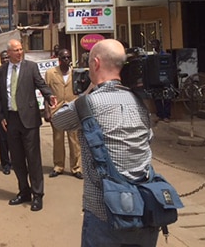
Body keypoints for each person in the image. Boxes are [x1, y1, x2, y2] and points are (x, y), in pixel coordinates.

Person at [50, 39, 158, 246]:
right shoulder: (140, 102)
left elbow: (58, 120)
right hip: (144, 207)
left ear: (96, 64)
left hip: (103, 213)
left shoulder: (88, 103)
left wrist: (86, 91)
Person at [0, 39, 54, 212]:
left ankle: (38, 194)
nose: (19, 52)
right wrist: (1, 117)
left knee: (33, 159)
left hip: (28, 119)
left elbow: (41, 85)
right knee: (17, 159)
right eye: (16, 50)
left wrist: (49, 96)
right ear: (9, 53)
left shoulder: (31, 67)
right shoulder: (2, 71)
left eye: (21, 49)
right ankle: (23, 191)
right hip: (11, 120)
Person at [44, 48, 82, 179]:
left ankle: (76, 168)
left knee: (74, 140)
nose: (66, 60)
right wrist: (47, 111)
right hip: (57, 111)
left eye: (68, 57)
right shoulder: (50, 73)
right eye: (64, 58)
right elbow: (46, 93)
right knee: (58, 139)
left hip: (73, 110)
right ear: (59, 60)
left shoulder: (76, 73)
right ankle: (58, 166)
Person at [151, 39, 171, 123]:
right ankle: (160, 115)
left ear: (159, 45)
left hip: (164, 77)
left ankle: (166, 115)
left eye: (155, 44)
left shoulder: (164, 55)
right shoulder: (151, 56)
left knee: (166, 97)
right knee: (157, 98)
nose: (153, 45)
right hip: (155, 79)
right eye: (152, 44)